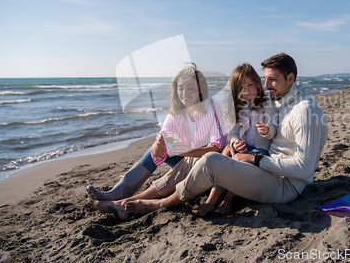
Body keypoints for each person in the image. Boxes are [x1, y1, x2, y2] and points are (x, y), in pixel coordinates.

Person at [102, 53, 328, 217]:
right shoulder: (282, 102)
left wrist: (256, 158)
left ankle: (159, 204)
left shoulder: (304, 109)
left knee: (210, 159)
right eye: (265, 79)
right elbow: (243, 121)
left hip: (283, 186)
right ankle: (126, 197)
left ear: (290, 78)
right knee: (196, 159)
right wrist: (233, 143)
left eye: (272, 80)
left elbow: (305, 169)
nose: (265, 84)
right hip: (269, 172)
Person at [86, 63, 227, 203]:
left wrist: (187, 151)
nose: (185, 93)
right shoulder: (174, 115)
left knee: (198, 158)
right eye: (181, 88)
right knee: (158, 145)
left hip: (207, 163)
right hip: (184, 160)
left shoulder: (213, 107)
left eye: (190, 88)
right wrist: (160, 144)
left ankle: (135, 196)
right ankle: (120, 190)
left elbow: (217, 147)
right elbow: (159, 154)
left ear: (200, 89)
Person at [193, 63, 277, 216]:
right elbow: (234, 131)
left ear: (258, 82)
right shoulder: (238, 107)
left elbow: (273, 129)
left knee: (239, 163)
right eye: (241, 88)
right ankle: (212, 199)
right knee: (224, 158)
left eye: (250, 85)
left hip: (260, 150)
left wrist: (267, 130)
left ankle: (230, 197)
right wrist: (234, 142)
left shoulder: (267, 104)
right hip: (242, 147)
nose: (246, 90)